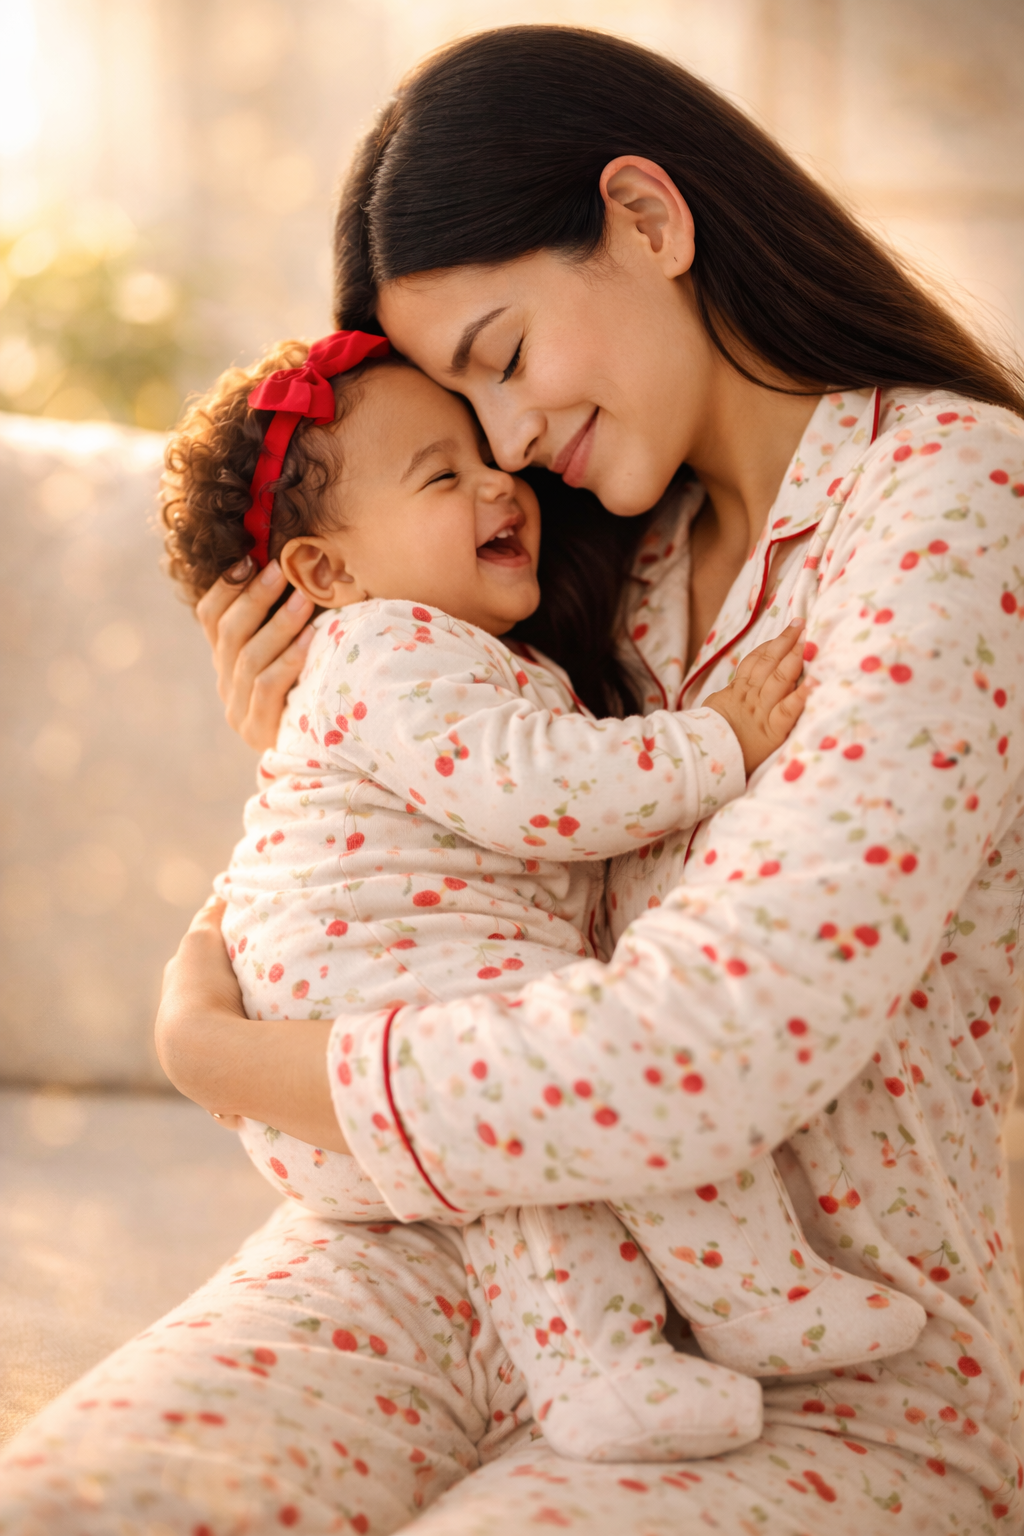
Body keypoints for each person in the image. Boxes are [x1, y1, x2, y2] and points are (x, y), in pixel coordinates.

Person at [2, 23, 1022, 1535]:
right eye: (464, 419)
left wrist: (230, 1058)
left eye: (505, 358)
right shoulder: (601, 566)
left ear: (650, 220)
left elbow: (711, 1046)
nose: (512, 443)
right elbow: (426, 886)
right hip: (438, 1259)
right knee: (100, 1499)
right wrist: (314, 752)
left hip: (837, 1370)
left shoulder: (953, 506)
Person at [159, 325, 921, 1466]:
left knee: (527, 1174)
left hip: (325, 1063)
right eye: (442, 473)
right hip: (362, 1012)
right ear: (325, 573)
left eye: (483, 454)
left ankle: (606, 1369)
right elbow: (542, 790)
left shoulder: (441, 649)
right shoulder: (384, 647)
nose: (500, 476)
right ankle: (752, 1292)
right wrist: (719, 742)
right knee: (584, 1062)